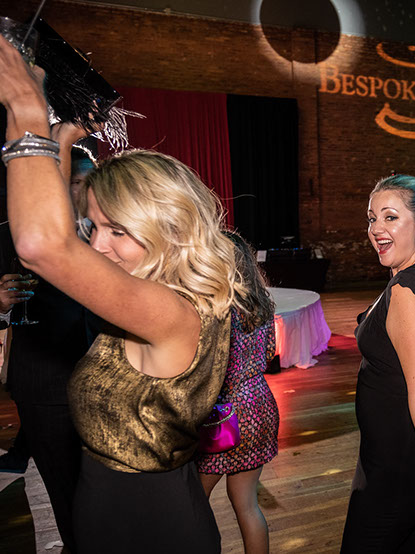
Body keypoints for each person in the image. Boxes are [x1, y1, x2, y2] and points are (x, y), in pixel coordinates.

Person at [0, 37, 246, 552]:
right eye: (95, 227)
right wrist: (62, 140)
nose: (97, 246)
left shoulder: (168, 311)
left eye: (117, 230)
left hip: (150, 526)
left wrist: (26, 109)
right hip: (112, 508)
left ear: (168, 229)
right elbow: (63, 237)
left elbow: (44, 245)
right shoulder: (154, 287)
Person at [341, 175, 415, 553]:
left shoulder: (409, 289)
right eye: (372, 218)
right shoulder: (411, 276)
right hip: (390, 455)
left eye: (390, 217)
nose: (376, 229)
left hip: (399, 464)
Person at [0, 122, 97, 550]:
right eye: (74, 181)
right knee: (65, 489)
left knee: (103, 490)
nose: (81, 191)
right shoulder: (15, 232)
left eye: (87, 182)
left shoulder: (107, 234)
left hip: (103, 381)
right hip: (44, 384)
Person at [197, 233, 279, 554]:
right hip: (260, 405)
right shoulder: (261, 304)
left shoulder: (215, 308)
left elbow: (209, 369)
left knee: (194, 504)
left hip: (224, 415)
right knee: (247, 504)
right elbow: (270, 352)